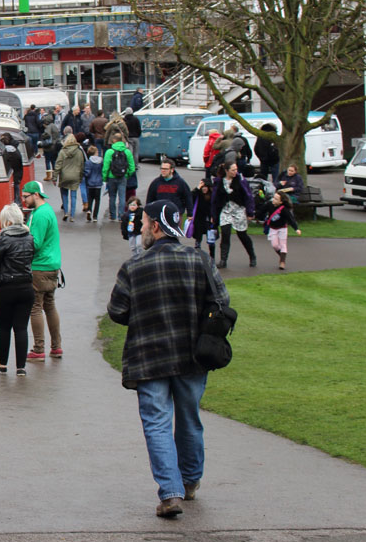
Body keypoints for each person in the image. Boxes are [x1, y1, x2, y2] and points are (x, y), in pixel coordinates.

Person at [108, 198, 229, 518]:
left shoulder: (134, 266)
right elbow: (221, 300)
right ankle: (189, 481)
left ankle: (170, 493)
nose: (143, 228)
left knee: (157, 424)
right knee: (189, 419)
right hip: (193, 355)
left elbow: (117, 312)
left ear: (156, 227)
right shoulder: (199, 259)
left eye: (145, 223)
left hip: (149, 358)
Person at [0, 203, 35, 377]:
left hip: (5, 287)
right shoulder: (29, 237)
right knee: (21, 328)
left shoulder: (4, 239)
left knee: (4, 327)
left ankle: (3, 362)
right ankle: (21, 367)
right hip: (26, 286)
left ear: (6, 221)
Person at [21, 180, 62, 361]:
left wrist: (19, 244)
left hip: (39, 266)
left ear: (36, 195)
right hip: (53, 265)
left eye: (26, 196)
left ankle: (38, 349)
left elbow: (35, 243)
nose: (23, 200)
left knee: (35, 308)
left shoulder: (39, 215)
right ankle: (56, 346)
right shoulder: (48, 211)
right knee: (50, 306)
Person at [211, 161, 257, 268]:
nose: (235, 172)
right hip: (225, 210)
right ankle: (223, 260)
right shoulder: (219, 182)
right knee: (225, 233)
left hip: (238, 209)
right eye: (233, 170)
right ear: (226, 171)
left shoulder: (241, 180)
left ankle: (252, 256)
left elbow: (248, 196)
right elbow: (215, 199)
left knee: (242, 235)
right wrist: (213, 215)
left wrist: (250, 212)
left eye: (236, 169)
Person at [264, 189, 300, 270]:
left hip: (282, 229)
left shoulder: (284, 209)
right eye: (274, 198)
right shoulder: (269, 205)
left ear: (281, 202)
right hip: (273, 228)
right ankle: (282, 255)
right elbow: (261, 210)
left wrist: (296, 228)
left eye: (276, 199)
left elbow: (291, 219)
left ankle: (282, 262)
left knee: (283, 244)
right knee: (275, 245)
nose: (274, 200)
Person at [101, 134, 134, 222]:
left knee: (112, 196)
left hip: (111, 177)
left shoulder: (109, 152)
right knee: (122, 196)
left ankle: (112, 215)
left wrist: (105, 178)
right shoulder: (127, 152)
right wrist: (127, 175)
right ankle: (121, 215)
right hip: (123, 176)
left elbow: (105, 166)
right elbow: (132, 167)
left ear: (114, 140)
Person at [55, 133, 84, 221]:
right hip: (75, 175)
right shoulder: (79, 152)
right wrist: (81, 177)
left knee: (64, 194)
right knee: (74, 196)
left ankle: (66, 212)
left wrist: (54, 177)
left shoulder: (62, 151)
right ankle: (72, 215)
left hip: (64, 176)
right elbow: (81, 165)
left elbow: (58, 165)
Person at [188, 178, 218, 262]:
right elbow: (190, 196)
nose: (204, 188)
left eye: (206, 187)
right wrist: (198, 188)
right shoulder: (198, 194)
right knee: (198, 239)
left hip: (209, 220)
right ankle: (198, 257)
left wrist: (214, 216)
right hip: (199, 220)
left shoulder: (213, 196)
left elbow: (216, 207)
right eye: (202, 187)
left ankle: (212, 258)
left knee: (211, 241)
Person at [82, 144, 104, 222]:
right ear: (96, 152)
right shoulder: (101, 161)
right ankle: (95, 216)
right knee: (97, 200)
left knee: (90, 198)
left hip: (90, 183)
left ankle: (89, 210)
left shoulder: (88, 162)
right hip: (98, 183)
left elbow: (87, 173)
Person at [0, 133, 24, 203]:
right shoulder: (15, 149)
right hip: (17, 172)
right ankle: (17, 202)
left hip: (13, 172)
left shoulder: (6, 151)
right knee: (16, 189)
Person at [40, 113, 61, 182]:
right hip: (55, 147)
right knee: (53, 161)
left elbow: (47, 135)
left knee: (47, 161)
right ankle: (55, 174)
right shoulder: (54, 126)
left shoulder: (48, 127)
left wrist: (42, 136)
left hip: (49, 147)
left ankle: (48, 175)